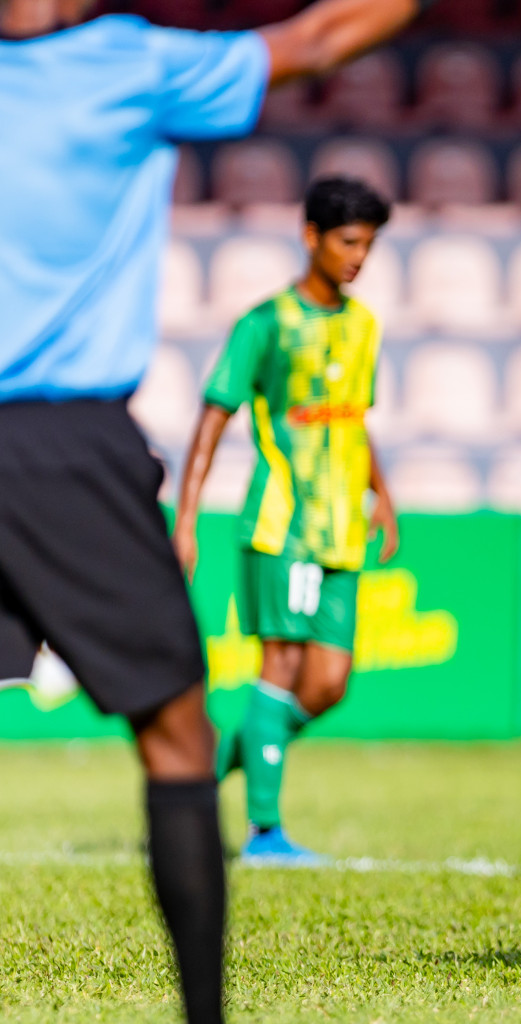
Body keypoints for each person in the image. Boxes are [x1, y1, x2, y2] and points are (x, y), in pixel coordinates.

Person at [0, 1, 427, 1020]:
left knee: (295, 687)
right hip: (61, 441)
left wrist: (376, 488)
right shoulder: (126, 63)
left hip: (148, 468)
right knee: (178, 733)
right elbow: (321, 38)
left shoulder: (357, 325)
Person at [173, 176, 398, 865]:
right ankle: (264, 832)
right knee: (282, 664)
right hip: (283, 524)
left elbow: (354, 421)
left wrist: (381, 496)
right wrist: (185, 519)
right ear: (312, 238)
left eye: (368, 245)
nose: (359, 256)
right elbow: (214, 418)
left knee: (329, 682)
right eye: (348, 242)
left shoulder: (363, 326)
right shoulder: (265, 324)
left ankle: (202, 777)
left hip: (341, 529)